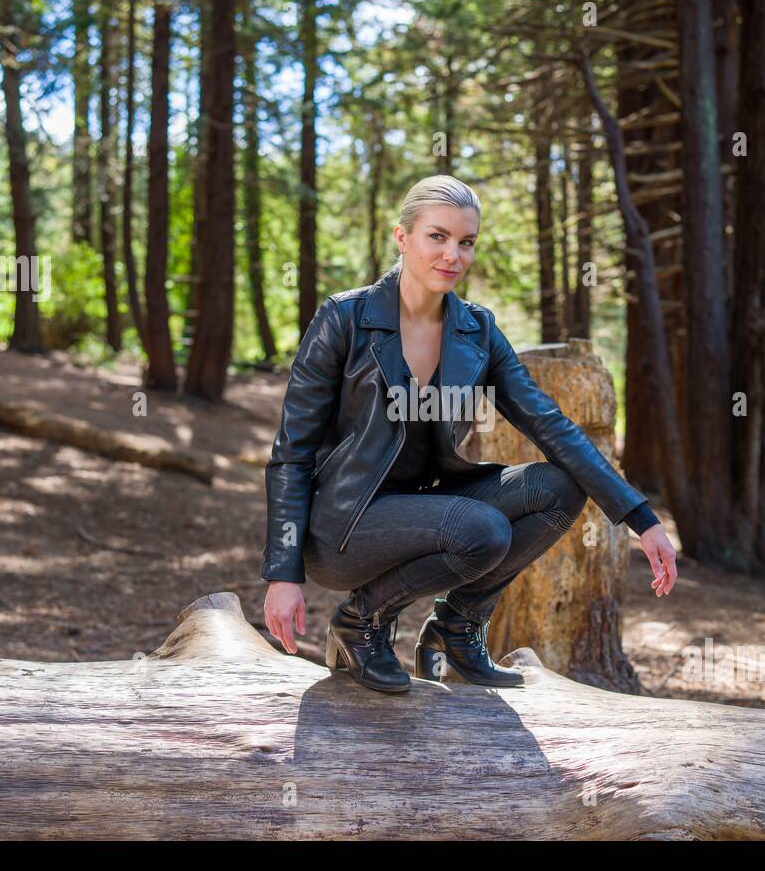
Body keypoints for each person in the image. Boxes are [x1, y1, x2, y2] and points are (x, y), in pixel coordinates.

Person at [260, 174, 678, 694]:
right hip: (343, 522)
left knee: (557, 488)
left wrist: (638, 516)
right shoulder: (344, 319)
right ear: (402, 237)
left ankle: (457, 628)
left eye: (466, 242)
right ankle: (359, 622)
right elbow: (291, 453)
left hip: (428, 505)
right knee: (481, 530)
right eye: (437, 236)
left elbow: (549, 423)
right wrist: (282, 572)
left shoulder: (475, 330)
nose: (453, 255)